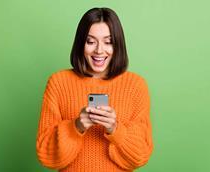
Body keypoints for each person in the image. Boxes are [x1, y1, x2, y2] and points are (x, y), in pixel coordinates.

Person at [36, 7, 153, 172]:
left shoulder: (136, 85)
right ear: (80, 44)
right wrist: (76, 126)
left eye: (108, 42)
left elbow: (141, 155)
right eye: (90, 41)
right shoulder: (58, 82)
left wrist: (115, 128)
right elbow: (46, 154)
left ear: (118, 44)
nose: (99, 50)